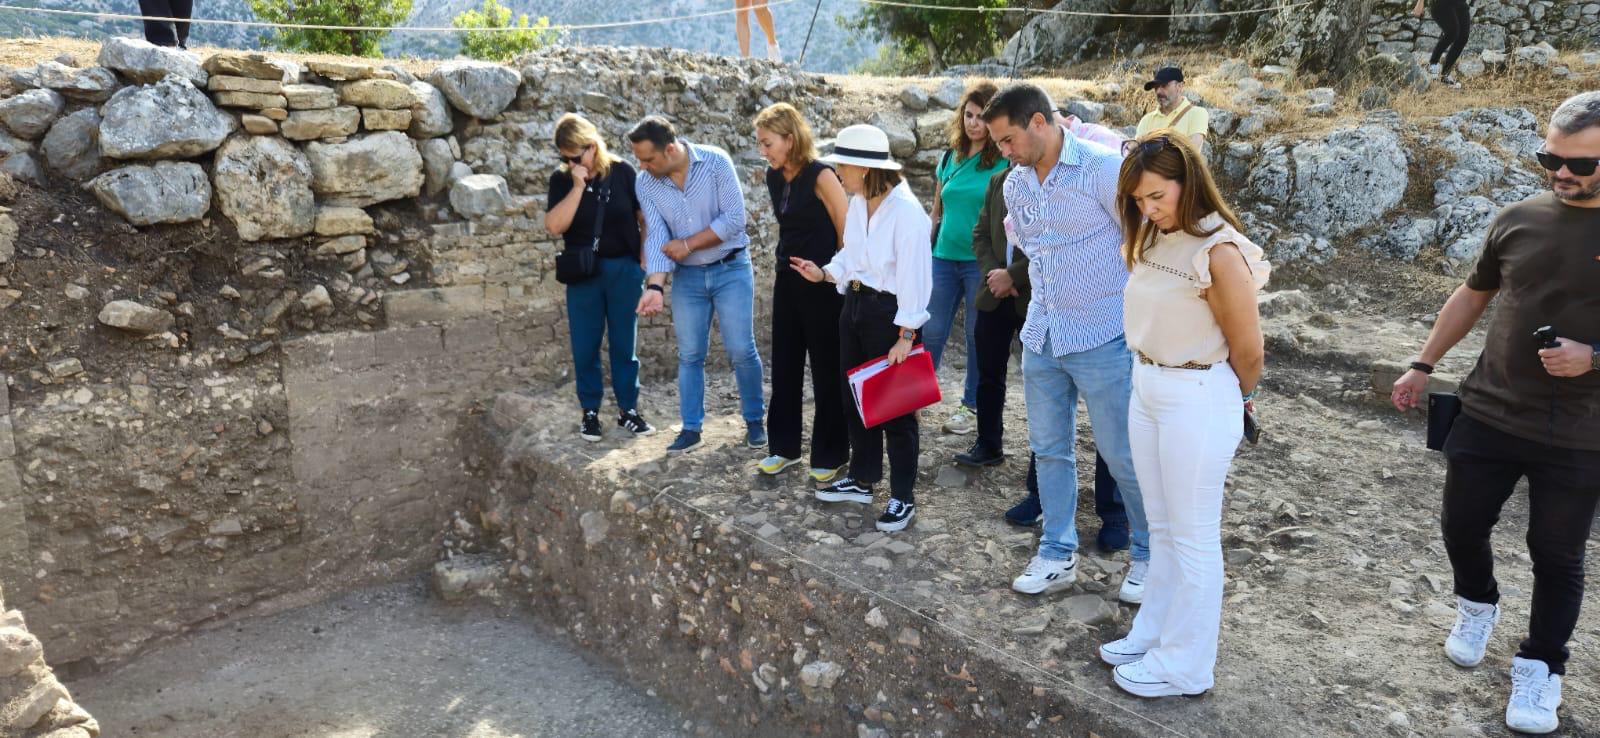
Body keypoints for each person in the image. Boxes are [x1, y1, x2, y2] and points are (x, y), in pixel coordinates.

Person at [1390, 91, 1600, 736]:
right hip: (1489, 412)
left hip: (1581, 434)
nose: (1561, 173)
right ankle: (1477, 604)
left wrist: (1595, 356)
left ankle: (1542, 667)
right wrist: (1423, 364)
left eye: (1581, 164)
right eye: (1549, 158)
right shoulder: (1519, 217)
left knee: (1556, 555)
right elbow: (1472, 293)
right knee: (1460, 526)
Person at [1097, 131, 1269, 699]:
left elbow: (1249, 352)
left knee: (1193, 537)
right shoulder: (1152, 234)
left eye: (1155, 196)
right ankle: (1155, 634)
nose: (1146, 208)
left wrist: (1233, 401)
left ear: (1186, 183)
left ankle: (1187, 666)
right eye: (1137, 200)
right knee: (1163, 527)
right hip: (1147, 383)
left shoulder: (1219, 250)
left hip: (1197, 392)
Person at [980, 83, 1150, 603]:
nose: (1003, 151)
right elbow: (1031, 248)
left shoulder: (1103, 169)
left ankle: (1149, 555)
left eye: (1008, 139)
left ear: (1038, 122)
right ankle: (1057, 552)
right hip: (1042, 333)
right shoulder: (1016, 186)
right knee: (1048, 450)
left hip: (1102, 333)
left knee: (1121, 453)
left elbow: (1140, 240)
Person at [959, 152, 1132, 553]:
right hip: (1018, 305)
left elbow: (1066, 243)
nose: (1005, 149)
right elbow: (985, 233)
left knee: (1110, 430)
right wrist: (994, 274)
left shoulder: (1090, 175)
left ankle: (1117, 515)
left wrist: (1014, 276)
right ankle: (1042, 504)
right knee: (1046, 425)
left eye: (1009, 138)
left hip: (1085, 315)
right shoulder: (1007, 181)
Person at [790, 124, 931, 533]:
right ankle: (864, 478)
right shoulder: (858, 202)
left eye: (842, 166)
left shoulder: (906, 212)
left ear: (865, 169)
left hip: (889, 314)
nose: (836, 173)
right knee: (856, 397)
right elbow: (851, 254)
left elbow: (916, 277)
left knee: (897, 409)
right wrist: (825, 273)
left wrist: (906, 334)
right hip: (853, 305)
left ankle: (903, 497)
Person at [629, 115, 767, 455]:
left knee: (740, 348)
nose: (642, 165)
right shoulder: (646, 183)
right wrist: (655, 288)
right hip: (688, 277)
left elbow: (735, 220)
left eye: (648, 158)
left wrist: (688, 244)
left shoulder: (716, 161)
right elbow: (659, 238)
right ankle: (691, 429)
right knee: (689, 354)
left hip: (731, 268)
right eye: (639, 159)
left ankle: (755, 421)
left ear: (671, 149)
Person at [753, 103, 851, 482]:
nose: (764, 151)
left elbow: (846, 229)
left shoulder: (821, 175)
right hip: (787, 281)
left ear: (790, 139)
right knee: (785, 365)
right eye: (761, 144)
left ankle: (832, 453)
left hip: (823, 283)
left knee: (827, 368)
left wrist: (834, 277)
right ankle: (783, 448)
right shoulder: (774, 176)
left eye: (768, 143)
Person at [545, 114, 655, 442]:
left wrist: (644, 259)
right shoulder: (562, 180)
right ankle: (590, 411)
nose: (570, 161)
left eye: (575, 156)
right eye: (564, 156)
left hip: (623, 270)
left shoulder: (622, 172)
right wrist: (578, 184)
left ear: (592, 147)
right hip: (584, 273)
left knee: (624, 344)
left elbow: (644, 217)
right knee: (585, 345)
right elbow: (554, 226)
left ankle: (628, 411)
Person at [927, 82, 1009, 437]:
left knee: (978, 336)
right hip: (942, 257)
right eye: (969, 115)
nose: (974, 123)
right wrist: (922, 251)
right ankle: (912, 398)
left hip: (980, 262)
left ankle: (970, 406)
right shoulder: (949, 158)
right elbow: (935, 212)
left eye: (982, 116)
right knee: (928, 330)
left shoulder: (1005, 160)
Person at [1136, 67, 1208, 151]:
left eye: (1164, 86)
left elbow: (1191, 151)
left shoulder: (1197, 114)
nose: (1158, 91)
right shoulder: (1146, 120)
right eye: (1156, 87)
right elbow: (1136, 154)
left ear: (1180, 86)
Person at [1413, 0, 1471, 88]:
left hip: (1461, 4)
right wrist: (1420, 3)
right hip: (1442, 3)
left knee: (1463, 38)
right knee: (1452, 32)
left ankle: (1445, 75)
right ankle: (1433, 65)